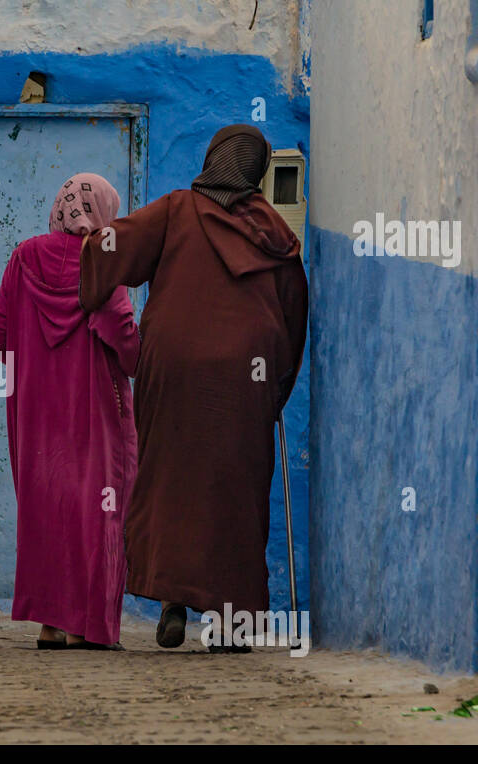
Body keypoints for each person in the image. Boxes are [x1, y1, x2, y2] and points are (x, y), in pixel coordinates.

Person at [79, 125, 309, 651]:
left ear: (213, 160)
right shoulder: (276, 235)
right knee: (237, 492)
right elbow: (293, 322)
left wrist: (81, 251)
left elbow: (113, 249)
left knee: (171, 483)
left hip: (174, 368)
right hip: (244, 377)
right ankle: (233, 624)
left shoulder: (176, 209)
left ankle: (173, 603)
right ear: (257, 171)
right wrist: (274, 391)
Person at [0, 174, 140, 650]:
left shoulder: (24, 256)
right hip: (94, 410)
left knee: (47, 506)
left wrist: (34, 366)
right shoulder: (103, 261)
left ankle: (51, 624)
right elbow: (126, 341)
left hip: (35, 412)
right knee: (99, 509)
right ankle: (87, 628)